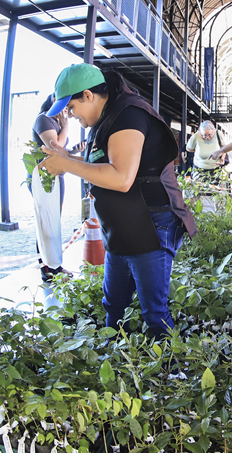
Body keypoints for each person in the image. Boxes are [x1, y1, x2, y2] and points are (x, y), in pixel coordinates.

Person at [38, 64, 196, 338]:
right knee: (114, 305)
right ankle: (115, 360)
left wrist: (67, 166)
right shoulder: (104, 120)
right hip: (122, 227)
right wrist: (65, 160)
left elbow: (121, 177)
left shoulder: (128, 115)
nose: (70, 115)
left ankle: (171, 369)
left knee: (154, 313)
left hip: (150, 224)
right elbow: (99, 164)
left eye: (71, 107)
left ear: (88, 95)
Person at [29, 94, 86, 282]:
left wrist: (75, 150)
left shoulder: (55, 123)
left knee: (53, 222)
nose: (67, 111)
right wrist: (66, 127)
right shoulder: (44, 119)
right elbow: (55, 148)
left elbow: (63, 153)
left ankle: (54, 266)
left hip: (54, 177)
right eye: (65, 106)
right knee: (47, 223)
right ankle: (48, 271)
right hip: (45, 179)